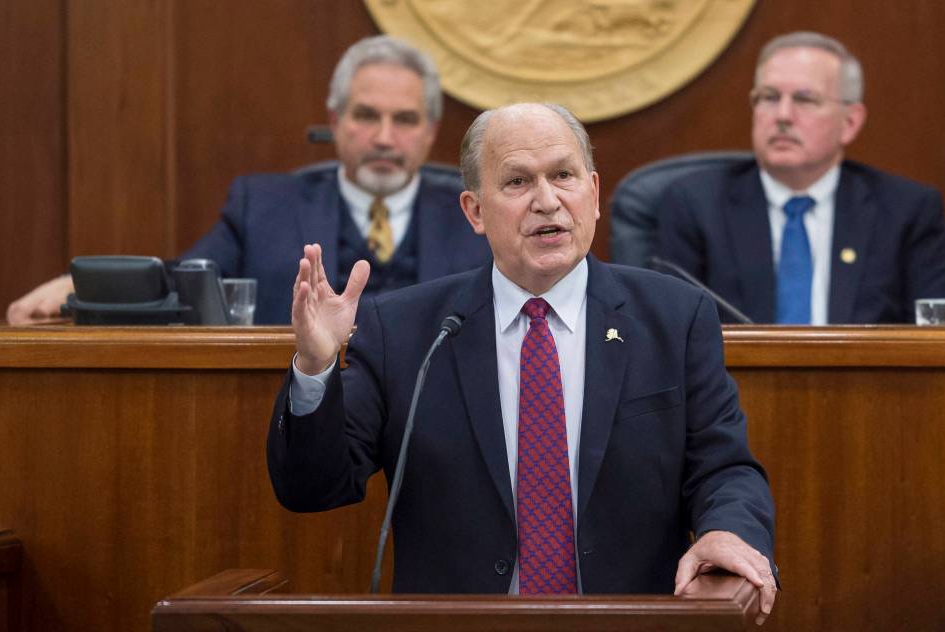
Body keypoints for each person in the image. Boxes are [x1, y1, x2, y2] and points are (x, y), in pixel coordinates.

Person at [267, 103, 777, 623]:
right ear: (475, 211)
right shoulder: (406, 331)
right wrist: (314, 366)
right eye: (517, 182)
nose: (548, 201)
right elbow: (313, 487)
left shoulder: (674, 317)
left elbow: (724, 466)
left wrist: (725, 532)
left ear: (594, 194)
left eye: (563, 175)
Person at [5, 36, 490, 325]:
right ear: (336, 119)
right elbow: (182, 285)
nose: (385, 137)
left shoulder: (479, 218)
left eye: (404, 120)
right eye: (366, 115)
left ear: (428, 133)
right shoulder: (262, 206)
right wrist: (80, 288)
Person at [655, 31, 945, 324]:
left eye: (805, 99)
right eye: (769, 97)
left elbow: (935, 340)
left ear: (850, 122)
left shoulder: (905, 211)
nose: (783, 115)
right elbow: (669, 332)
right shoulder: (695, 205)